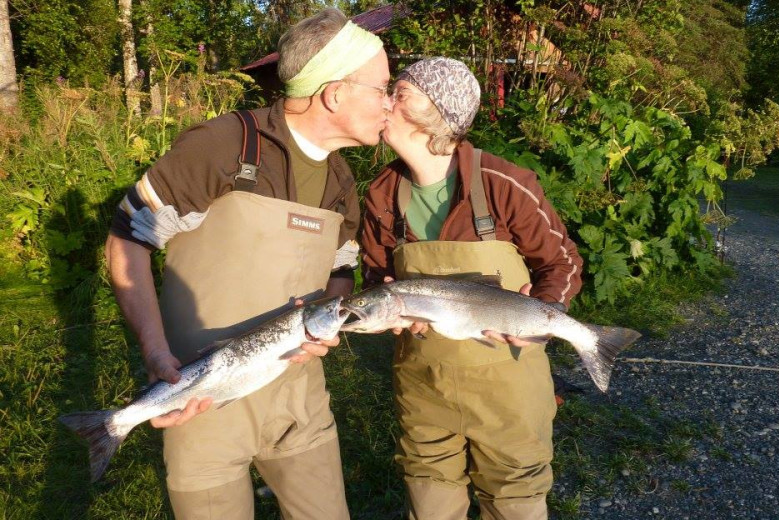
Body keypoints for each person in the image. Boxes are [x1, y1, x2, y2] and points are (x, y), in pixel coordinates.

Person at [105, 8, 391, 519]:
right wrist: (154, 353)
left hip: (301, 407)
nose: (390, 103)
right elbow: (129, 237)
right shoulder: (225, 146)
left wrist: (330, 319)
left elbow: (339, 273)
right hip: (201, 405)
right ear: (335, 93)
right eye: (382, 88)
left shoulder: (342, 181)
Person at [360, 57, 584, 519]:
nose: (385, 101)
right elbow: (373, 276)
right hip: (423, 384)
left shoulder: (504, 183)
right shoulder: (382, 193)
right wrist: (391, 312)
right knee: (428, 490)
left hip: (508, 383)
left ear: (437, 112)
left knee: (515, 491)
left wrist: (542, 314)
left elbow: (561, 262)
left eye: (399, 93)